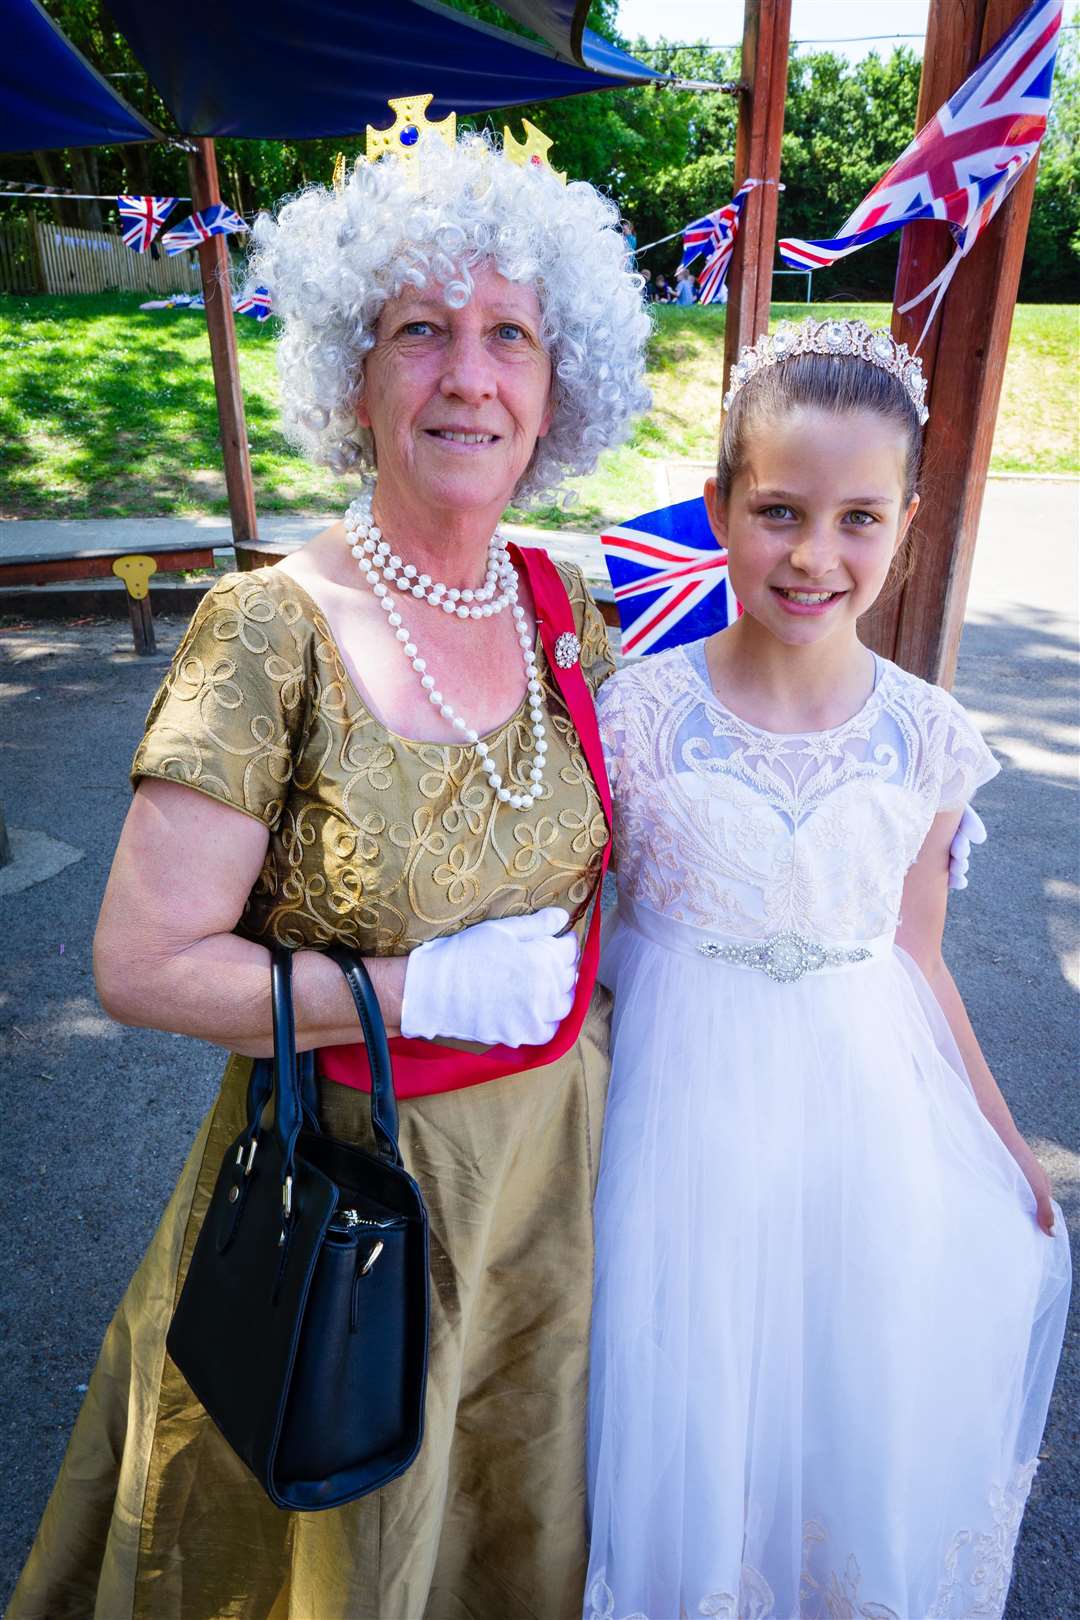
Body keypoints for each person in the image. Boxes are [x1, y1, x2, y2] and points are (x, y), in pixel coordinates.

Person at [10, 127, 649, 1620]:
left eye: (511, 337)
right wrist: (420, 987)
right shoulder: (266, 628)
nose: (469, 377)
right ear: (356, 373)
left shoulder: (573, 603)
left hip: (552, 1185)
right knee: (339, 1556)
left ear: (559, 385)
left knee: (512, 1516)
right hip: (354, 1202)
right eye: (420, 331)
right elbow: (146, 965)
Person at [584, 318, 1070, 1620]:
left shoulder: (928, 737)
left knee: (841, 1395)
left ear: (907, 520)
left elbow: (918, 956)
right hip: (674, 1124)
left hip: (861, 1121)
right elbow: (585, 934)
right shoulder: (633, 716)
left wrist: (999, 1133)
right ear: (721, 508)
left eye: (860, 518)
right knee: (678, 1400)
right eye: (781, 511)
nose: (815, 554)